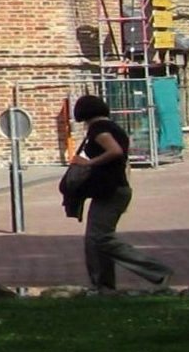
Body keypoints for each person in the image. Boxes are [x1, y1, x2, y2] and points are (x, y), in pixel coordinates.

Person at [61, 92, 171, 292]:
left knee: (100, 238)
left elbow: (115, 151)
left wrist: (89, 162)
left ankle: (156, 271)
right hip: (114, 190)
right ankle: (103, 285)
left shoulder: (99, 129)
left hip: (110, 191)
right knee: (94, 240)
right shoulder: (113, 127)